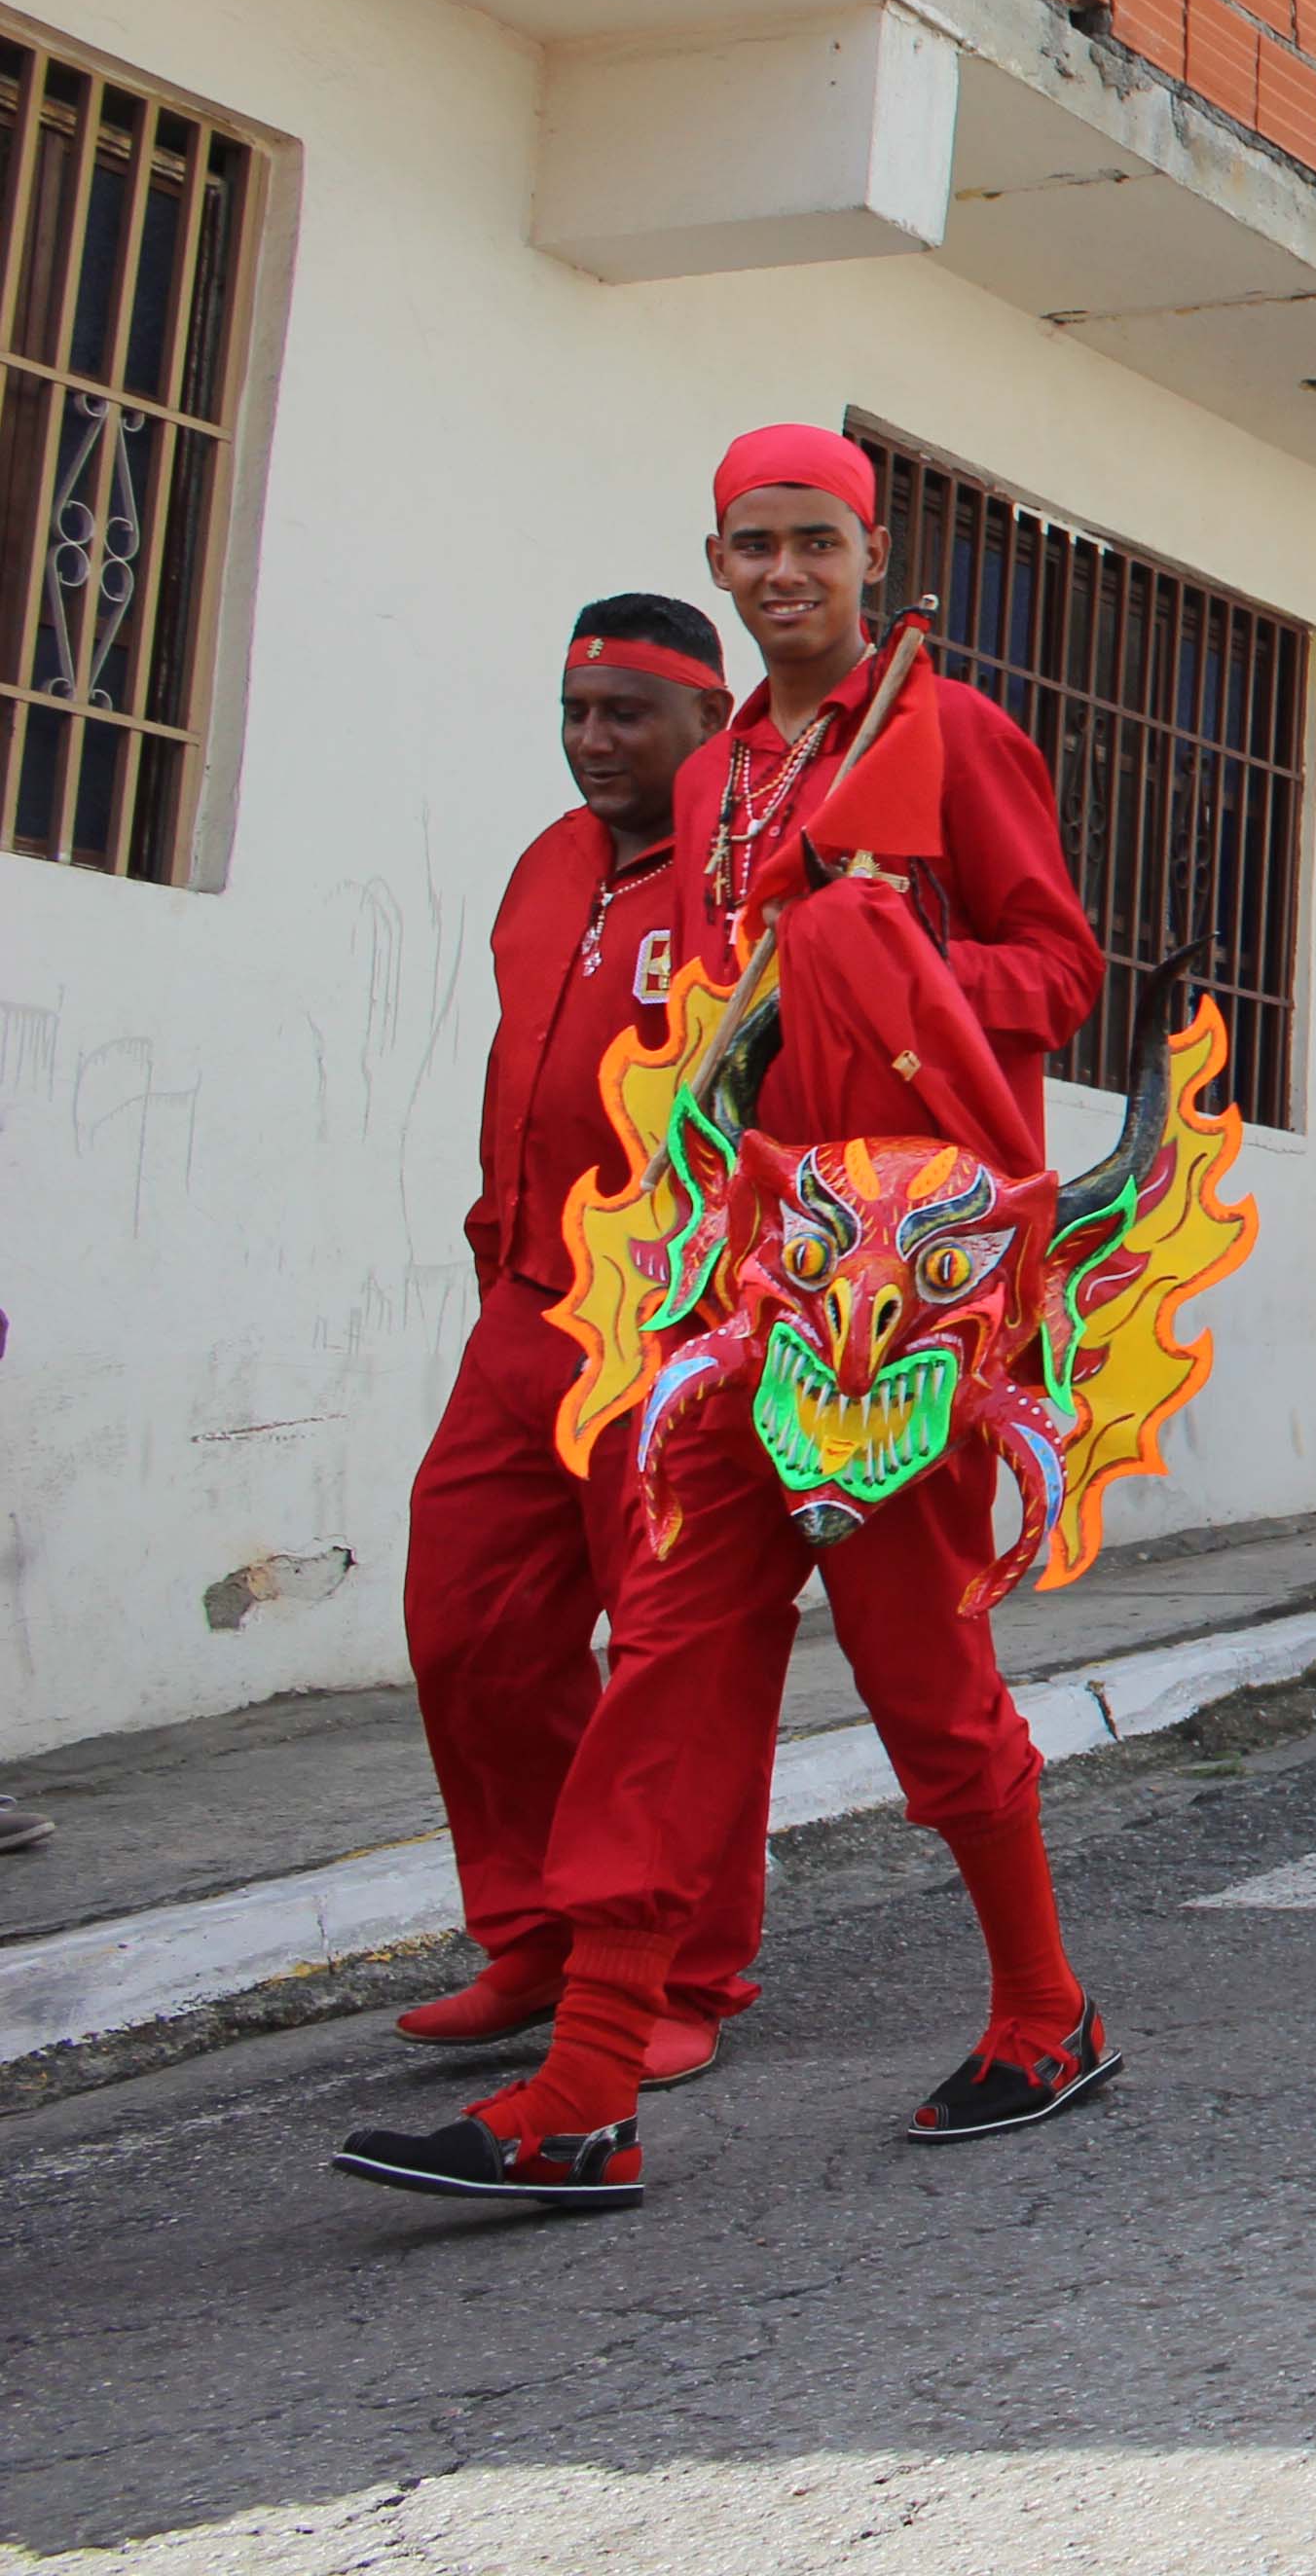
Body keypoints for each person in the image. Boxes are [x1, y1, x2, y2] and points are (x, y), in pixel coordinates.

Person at [339, 425, 1117, 2209]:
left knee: (927, 1677)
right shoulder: (716, 781)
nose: (784, 573)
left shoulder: (953, 734)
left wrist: (882, 951)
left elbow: (1057, 969)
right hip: (740, 1274)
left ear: (869, 552)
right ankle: (592, 2080)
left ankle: (1042, 2008)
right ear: (721, 558)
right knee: (672, 1661)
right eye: (753, 546)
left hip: (897, 1287)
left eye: (814, 544)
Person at [393, 595, 764, 2084]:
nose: (593, 742)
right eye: (575, 712)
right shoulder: (548, 867)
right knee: (465, 1625)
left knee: (677, 1662)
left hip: (676, 1329)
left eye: (626, 714)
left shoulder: (748, 876)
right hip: (527, 1311)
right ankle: (537, 1932)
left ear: (706, 720)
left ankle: (675, 1966)